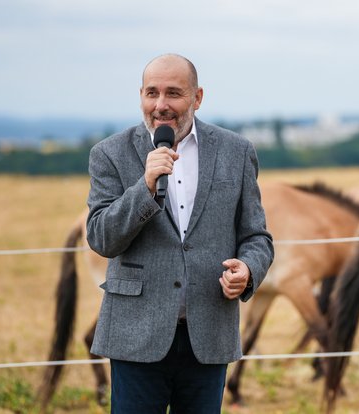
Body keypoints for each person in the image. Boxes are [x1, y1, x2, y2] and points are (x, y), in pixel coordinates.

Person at [86, 53, 274, 413]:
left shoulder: (237, 152)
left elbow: (257, 237)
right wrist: (145, 186)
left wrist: (249, 270)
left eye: (173, 93)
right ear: (140, 94)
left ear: (197, 97)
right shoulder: (109, 154)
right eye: (152, 93)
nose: (161, 105)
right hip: (135, 335)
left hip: (209, 334)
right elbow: (102, 238)